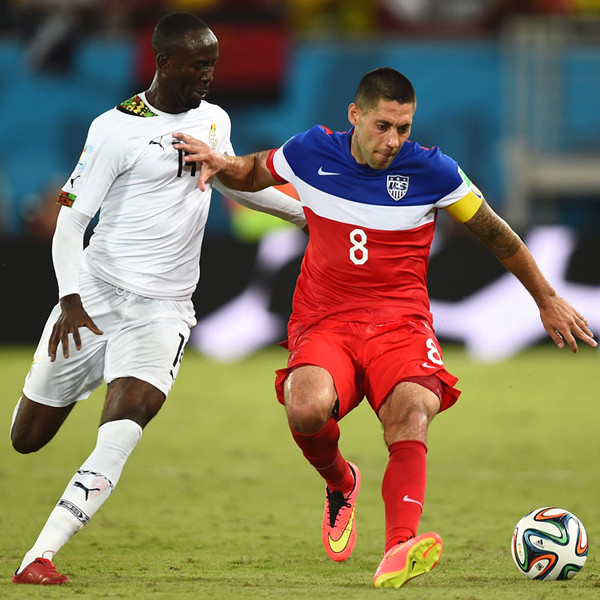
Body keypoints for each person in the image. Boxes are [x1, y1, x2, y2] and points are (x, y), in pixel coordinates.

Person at [172, 67, 597, 588]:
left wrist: (546, 298)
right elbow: (254, 170)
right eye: (382, 126)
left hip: (400, 322)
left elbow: (495, 233)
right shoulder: (311, 152)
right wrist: (222, 163)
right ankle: (340, 480)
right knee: (305, 408)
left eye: (403, 127)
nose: (393, 140)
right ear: (354, 115)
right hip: (325, 319)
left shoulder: (434, 171)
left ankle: (400, 546)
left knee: (412, 410)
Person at [10, 12, 306, 586]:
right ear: (164, 62)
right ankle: (91, 372)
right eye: (198, 64)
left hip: (162, 310)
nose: (208, 76)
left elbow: (227, 181)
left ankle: (39, 557)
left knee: (126, 420)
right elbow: (72, 225)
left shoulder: (214, 120)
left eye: (213, 64)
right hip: (93, 300)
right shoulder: (113, 130)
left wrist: (306, 218)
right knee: (27, 439)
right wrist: (71, 299)